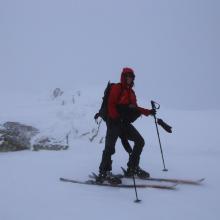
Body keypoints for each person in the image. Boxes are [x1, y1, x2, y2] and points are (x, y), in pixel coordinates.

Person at [96, 67, 156, 183]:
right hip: (113, 122)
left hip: (124, 123)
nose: (129, 78)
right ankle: (104, 172)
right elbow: (111, 105)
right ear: (123, 77)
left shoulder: (131, 93)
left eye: (131, 76)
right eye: (127, 76)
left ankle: (132, 168)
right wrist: (116, 118)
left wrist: (148, 112)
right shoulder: (117, 88)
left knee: (140, 141)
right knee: (109, 148)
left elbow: (135, 108)